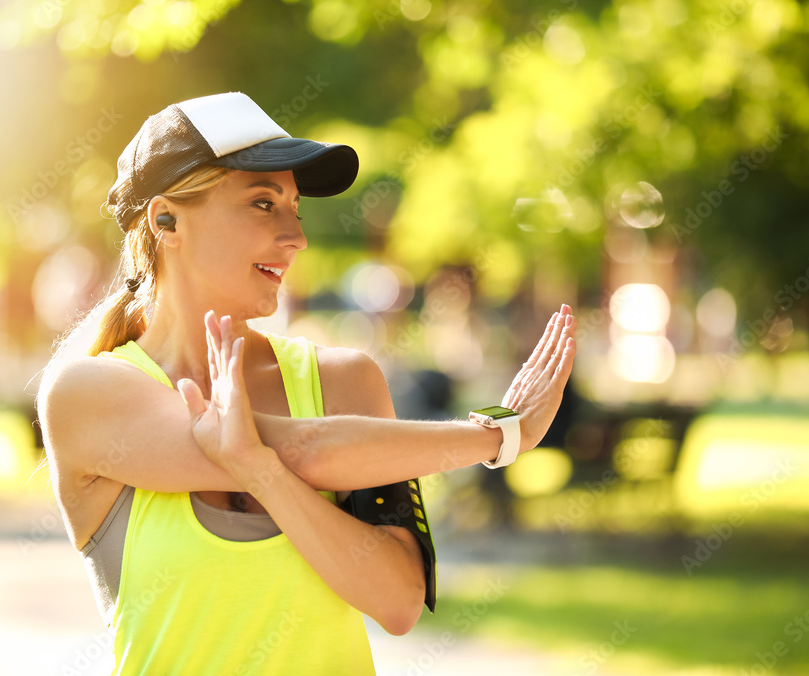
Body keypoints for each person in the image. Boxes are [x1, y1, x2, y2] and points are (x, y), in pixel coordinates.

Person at [36, 91, 576, 675]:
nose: (297, 237)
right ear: (166, 219)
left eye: (296, 207)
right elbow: (304, 446)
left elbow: (397, 604)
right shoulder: (88, 393)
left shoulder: (344, 381)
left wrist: (261, 472)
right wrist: (499, 437)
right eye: (264, 204)